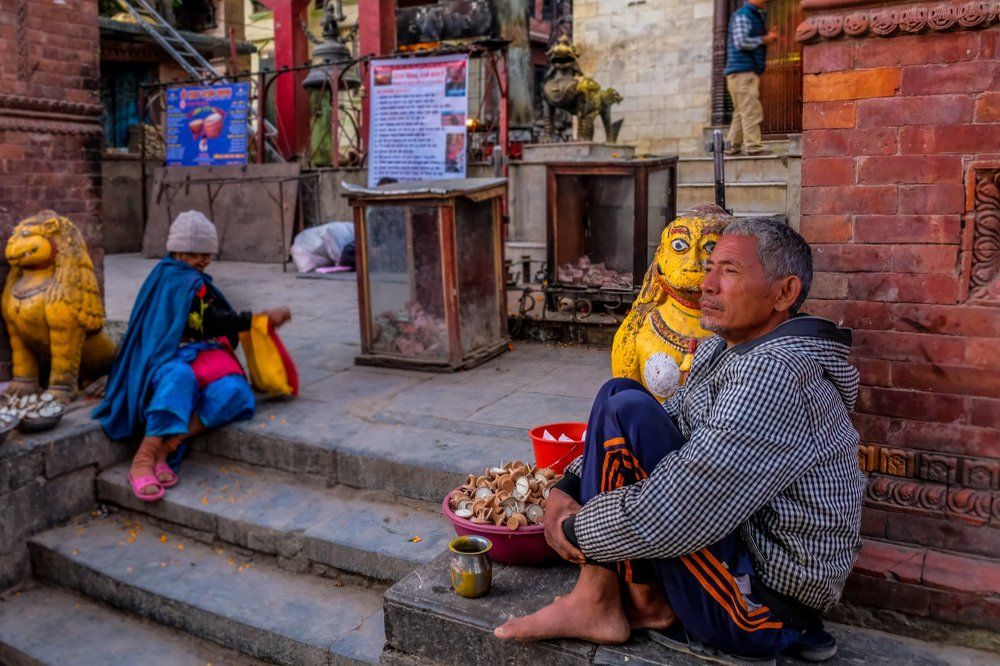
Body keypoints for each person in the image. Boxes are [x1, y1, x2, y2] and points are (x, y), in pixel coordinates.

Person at [495, 218, 865, 663]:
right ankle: (628, 601)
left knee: (623, 409)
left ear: (784, 293)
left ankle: (598, 601)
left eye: (729, 271)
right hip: (735, 558)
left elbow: (682, 506)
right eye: (710, 268)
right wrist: (568, 486)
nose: (707, 285)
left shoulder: (776, 373)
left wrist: (575, 529)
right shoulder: (725, 348)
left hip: (759, 610)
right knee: (621, 396)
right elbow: (670, 416)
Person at [94, 211, 292, 502]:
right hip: (166, 358)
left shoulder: (190, 279)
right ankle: (144, 459)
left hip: (201, 353)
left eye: (208, 255)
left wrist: (252, 322)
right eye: (200, 254)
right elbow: (208, 321)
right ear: (180, 250)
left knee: (236, 391)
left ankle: (170, 446)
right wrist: (256, 319)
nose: (205, 261)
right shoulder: (173, 280)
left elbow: (208, 322)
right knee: (180, 377)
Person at [723, 0, 779, 156]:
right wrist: (764, 39)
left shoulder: (753, 14)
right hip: (742, 72)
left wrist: (767, 37)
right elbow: (741, 42)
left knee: (741, 111)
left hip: (742, 72)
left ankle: (731, 146)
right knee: (751, 111)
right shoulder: (743, 15)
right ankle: (753, 148)